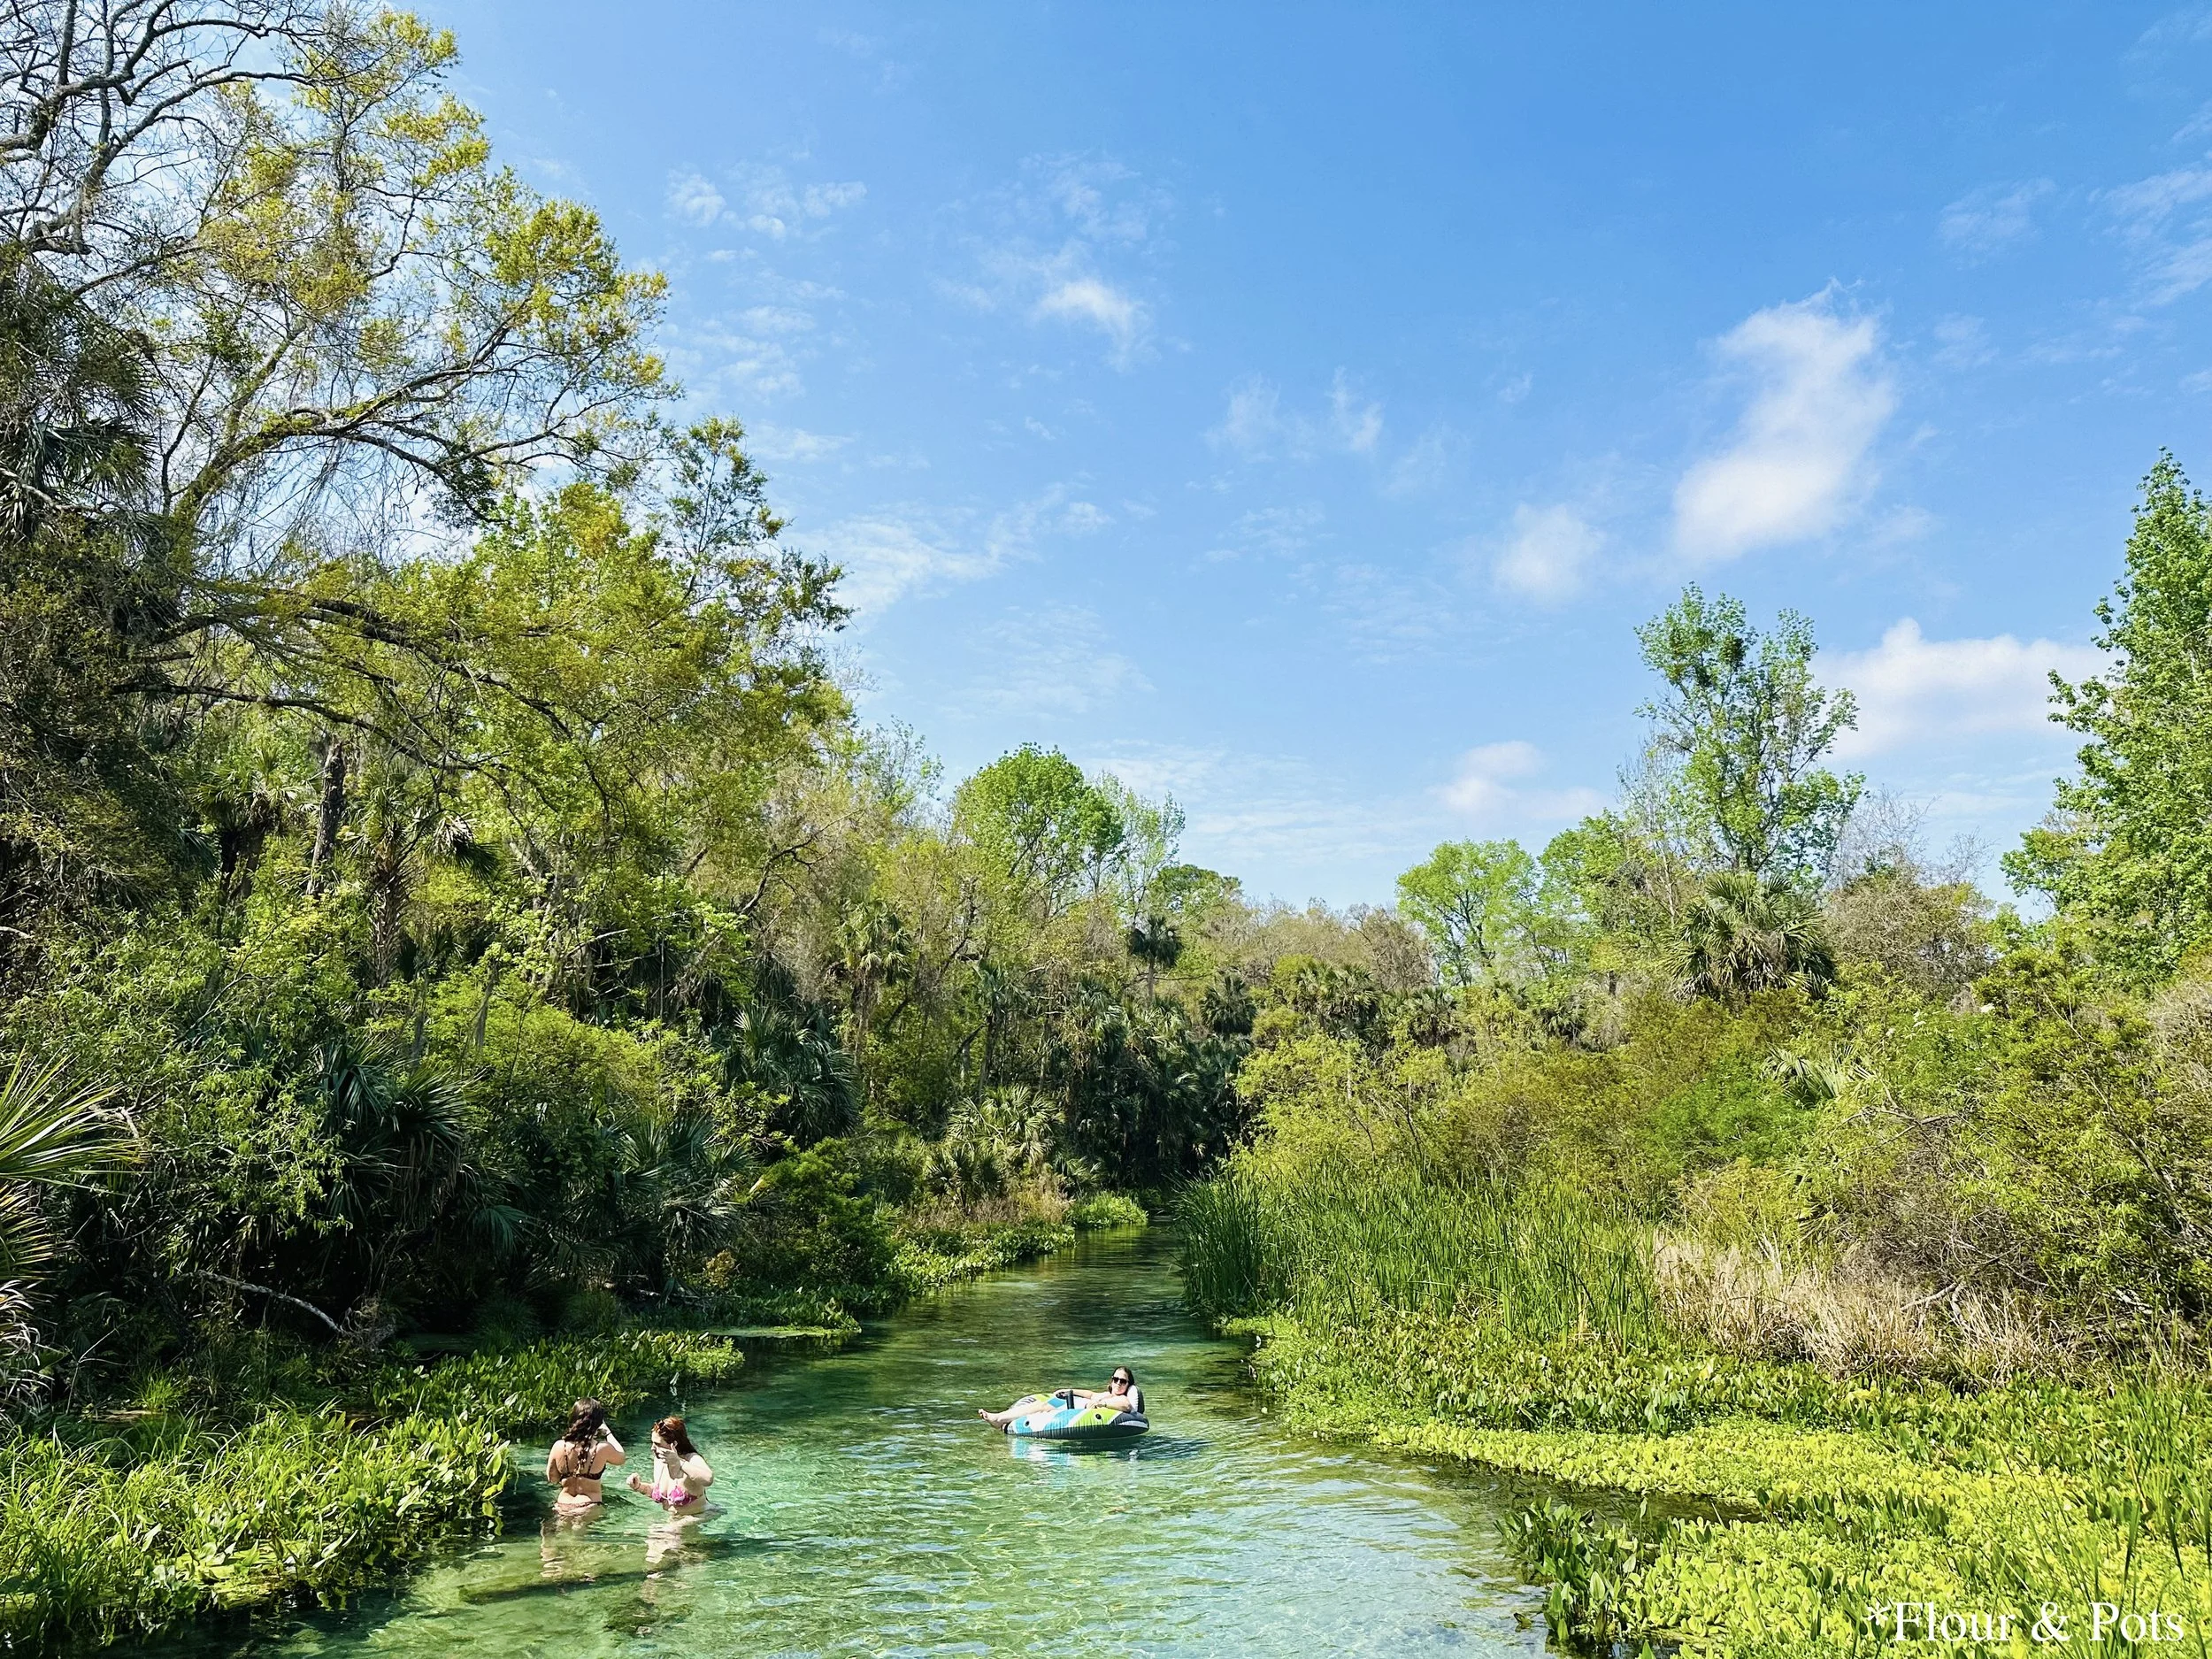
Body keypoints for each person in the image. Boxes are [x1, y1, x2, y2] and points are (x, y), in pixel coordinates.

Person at [979, 1365, 1145, 1428]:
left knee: (1044, 1407)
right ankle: (1003, 1418)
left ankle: (999, 1418)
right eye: (1115, 1379)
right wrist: (1070, 1390)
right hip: (1079, 1407)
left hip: (1081, 1412)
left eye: (1122, 1381)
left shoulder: (1123, 1398)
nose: (1118, 1383)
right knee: (1043, 1405)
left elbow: (1126, 1407)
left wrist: (1101, 1405)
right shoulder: (1107, 1394)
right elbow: (1090, 1394)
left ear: (1128, 1384)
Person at [545, 1398, 626, 1514]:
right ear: (597, 1424)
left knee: (560, 1531)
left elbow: (552, 1479)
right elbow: (621, 1458)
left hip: (562, 1504)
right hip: (588, 1505)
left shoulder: (558, 1446)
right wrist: (608, 1433)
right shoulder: (601, 1448)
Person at [628, 1414, 714, 1511]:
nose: (652, 1448)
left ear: (674, 1444)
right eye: (652, 1443)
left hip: (698, 1516)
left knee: (667, 1527)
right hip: (675, 1519)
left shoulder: (691, 1458)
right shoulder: (660, 1460)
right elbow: (663, 1494)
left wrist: (678, 1462)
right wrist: (639, 1487)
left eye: (658, 1444)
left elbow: (708, 1479)